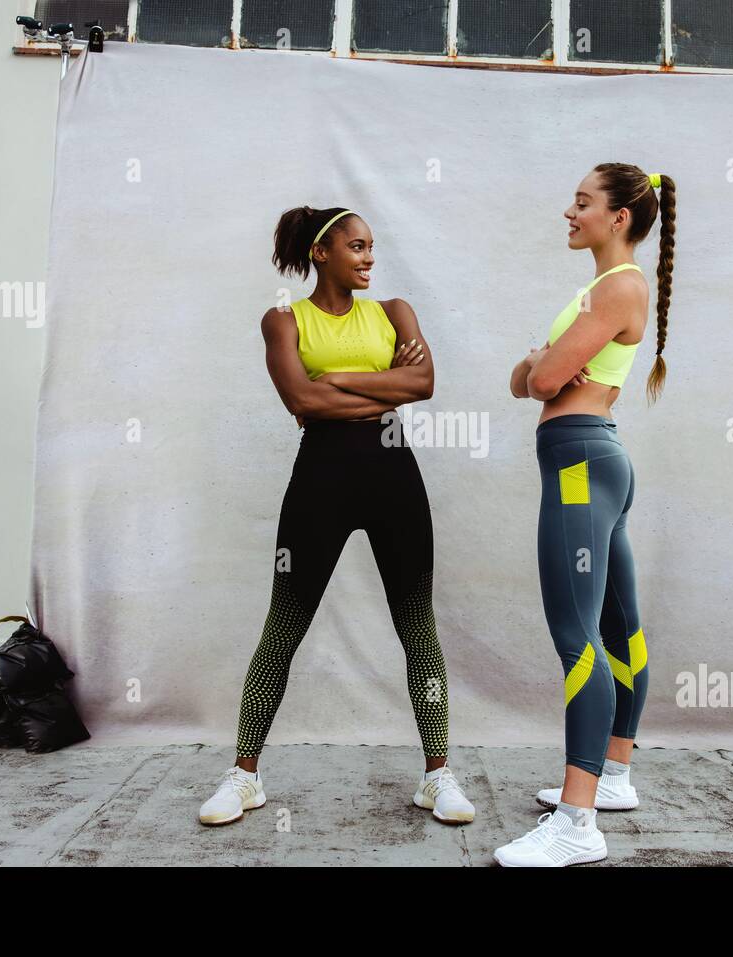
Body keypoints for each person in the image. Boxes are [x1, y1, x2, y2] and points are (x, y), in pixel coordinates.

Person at [199, 206, 475, 827]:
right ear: (322, 253)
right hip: (320, 481)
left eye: (372, 246)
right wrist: (381, 381)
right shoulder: (282, 321)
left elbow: (424, 382)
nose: (370, 256)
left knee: (417, 625)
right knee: (284, 625)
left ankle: (438, 776)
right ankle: (244, 777)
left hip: (394, 477)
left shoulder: (395, 311)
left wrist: (339, 382)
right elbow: (299, 398)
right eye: (357, 246)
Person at [495, 165, 676, 866]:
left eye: (582, 202)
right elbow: (528, 377)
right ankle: (617, 775)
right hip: (596, 459)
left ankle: (578, 821)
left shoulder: (620, 286)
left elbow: (537, 380)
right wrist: (540, 365)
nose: (568, 212)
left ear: (620, 217)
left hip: (579, 466)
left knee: (578, 639)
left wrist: (541, 365)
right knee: (618, 628)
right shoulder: (601, 289)